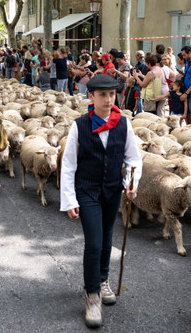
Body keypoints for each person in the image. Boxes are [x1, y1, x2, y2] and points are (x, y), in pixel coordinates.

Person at [60, 74, 142, 328]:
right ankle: (92, 294)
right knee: (94, 243)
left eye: (112, 94)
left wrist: (132, 183)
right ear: (91, 96)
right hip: (87, 190)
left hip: (111, 190)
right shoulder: (79, 126)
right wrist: (69, 199)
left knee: (107, 237)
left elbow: (133, 158)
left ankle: (103, 279)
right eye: (103, 95)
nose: (109, 99)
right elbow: (68, 165)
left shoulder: (123, 124)